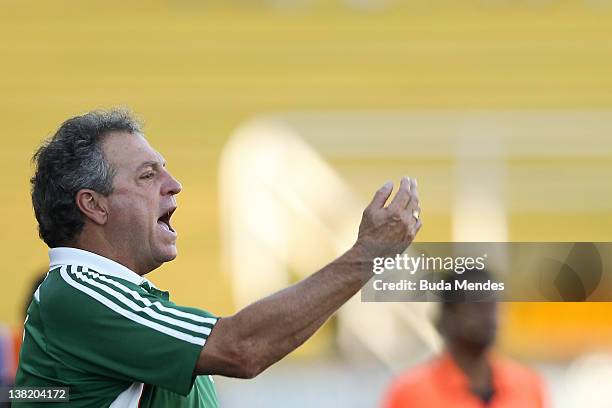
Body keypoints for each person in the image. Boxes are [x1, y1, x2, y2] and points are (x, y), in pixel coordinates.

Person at [15, 109, 422, 407]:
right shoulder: (80, 294)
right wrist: (367, 255)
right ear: (94, 205)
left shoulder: (113, 300)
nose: (174, 186)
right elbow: (243, 348)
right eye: (147, 175)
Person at [382, 269, 547, 408]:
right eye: (477, 307)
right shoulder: (410, 393)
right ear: (445, 318)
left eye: (493, 307)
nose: (489, 317)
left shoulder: (528, 385)